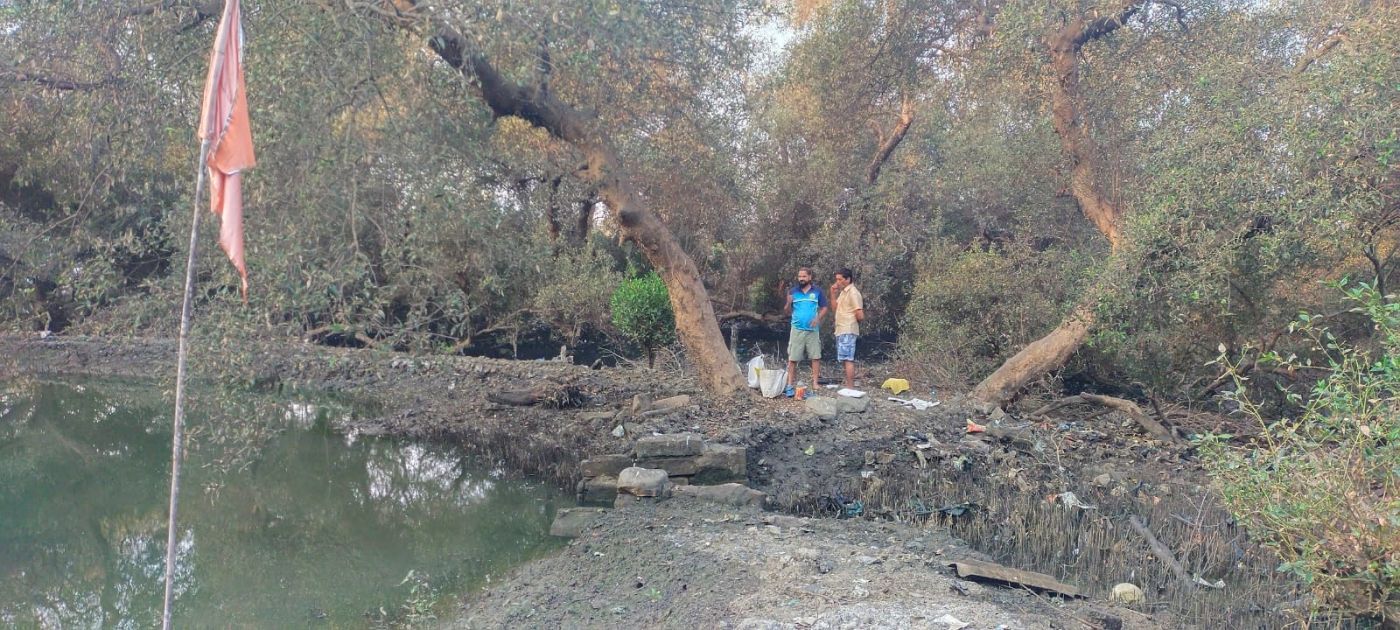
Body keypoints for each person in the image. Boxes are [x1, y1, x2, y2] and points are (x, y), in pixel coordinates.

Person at [783, 267, 828, 397]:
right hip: (797, 329)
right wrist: (787, 303)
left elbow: (825, 307)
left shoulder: (817, 291)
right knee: (793, 358)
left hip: (813, 330)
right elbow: (787, 311)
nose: (801, 279)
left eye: (804, 276)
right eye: (799, 276)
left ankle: (815, 383)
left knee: (815, 356)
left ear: (810, 277)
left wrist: (818, 318)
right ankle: (790, 384)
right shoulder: (793, 292)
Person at [830, 268, 865, 389]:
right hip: (841, 328)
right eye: (837, 279)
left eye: (840, 279)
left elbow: (859, 314)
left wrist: (851, 320)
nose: (838, 282)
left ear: (848, 279)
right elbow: (835, 309)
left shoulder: (853, 293)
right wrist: (833, 294)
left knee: (848, 359)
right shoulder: (844, 292)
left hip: (848, 328)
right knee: (845, 359)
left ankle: (850, 388)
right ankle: (848, 386)